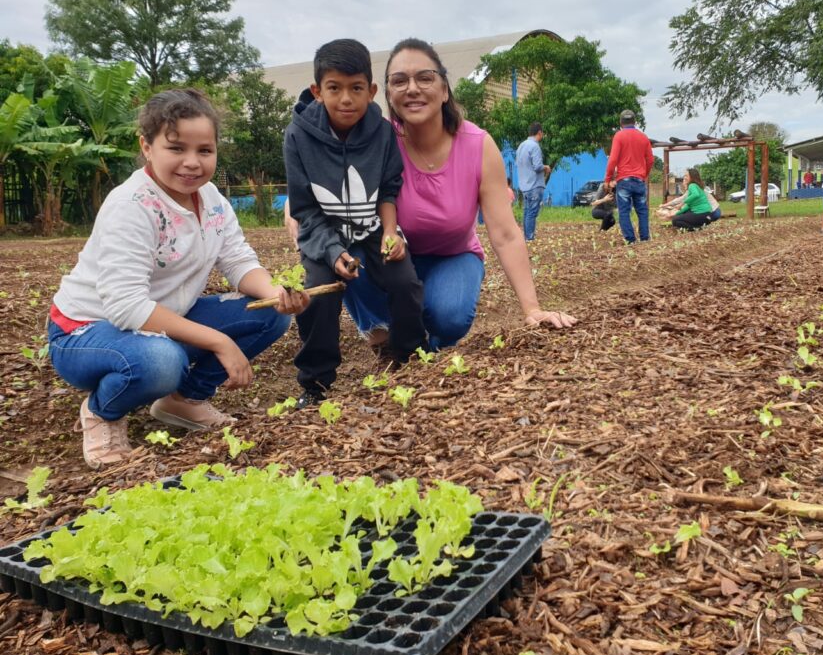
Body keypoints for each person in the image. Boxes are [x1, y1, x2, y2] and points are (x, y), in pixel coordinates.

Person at [47, 88, 309, 469]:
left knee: (269, 313)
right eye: (176, 148)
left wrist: (275, 292)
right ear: (147, 146)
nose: (192, 163)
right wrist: (219, 341)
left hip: (159, 321)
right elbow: (126, 306)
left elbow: (237, 261)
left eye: (204, 150)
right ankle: (101, 412)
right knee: (160, 362)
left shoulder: (213, 199)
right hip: (85, 332)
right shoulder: (132, 206)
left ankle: (183, 402)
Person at [315, 37, 575, 350]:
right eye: (400, 81)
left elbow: (506, 234)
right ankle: (382, 337)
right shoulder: (373, 141)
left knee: (448, 316)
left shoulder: (478, 146)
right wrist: (296, 208)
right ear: (386, 94)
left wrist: (532, 309)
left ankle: (427, 343)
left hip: (451, 256)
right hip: (389, 258)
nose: (412, 88)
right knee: (348, 253)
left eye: (425, 78)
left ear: (444, 89)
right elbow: (324, 179)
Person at [285, 39, 428, 406]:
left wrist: (391, 235)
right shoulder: (298, 135)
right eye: (334, 88)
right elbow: (305, 209)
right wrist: (332, 253)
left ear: (371, 91)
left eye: (356, 88)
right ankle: (315, 383)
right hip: (323, 236)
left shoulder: (382, 133)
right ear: (317, 91)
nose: (345, 99)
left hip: (372, 230)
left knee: (406, 283)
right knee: (319, 294)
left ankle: (409, 356)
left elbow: (388, 190)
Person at [605, 109, 654, 244]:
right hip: (639, 180)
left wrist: (608, 179)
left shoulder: (619, 136)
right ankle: (645, 239)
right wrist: (644, 175)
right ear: (635, 122)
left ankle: (631, 241)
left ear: (621, 123)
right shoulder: (643, 137)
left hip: (624, 181)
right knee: (642, 211)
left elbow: (613, 159)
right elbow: (650, 160)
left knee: (624, 212)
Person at [515, 122, 550, 241]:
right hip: (534, 185)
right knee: (532, 213)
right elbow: (537, 166)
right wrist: (546, 167)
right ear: (539, 132)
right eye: (542, 133)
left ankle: (526, 237)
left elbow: (518, 164)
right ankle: (529, 238)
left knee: (526, 211)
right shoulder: (535, 146)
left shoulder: (521, 146)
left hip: (524, 185)